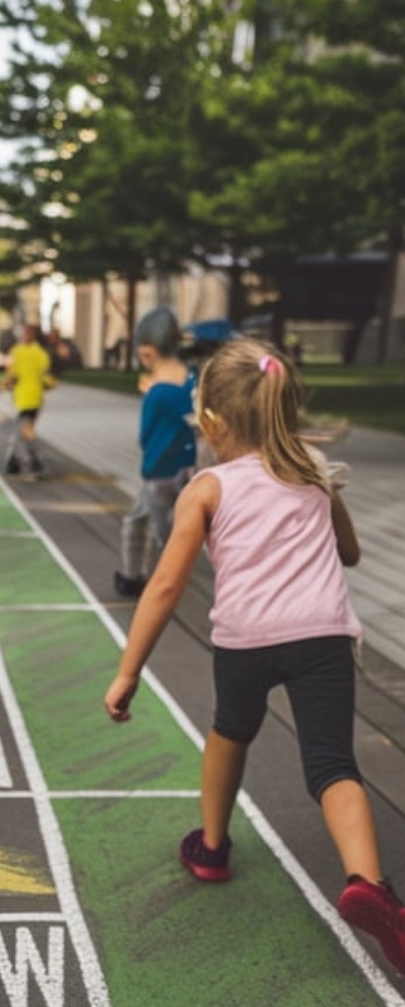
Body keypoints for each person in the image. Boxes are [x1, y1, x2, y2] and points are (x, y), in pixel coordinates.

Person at [102, 338, 405, 973]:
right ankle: (368, 883)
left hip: (245, 640)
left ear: (209, 423)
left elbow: (165, 585)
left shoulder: (206, 489)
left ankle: (211, 847)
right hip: (320, 635)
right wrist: (325, 495)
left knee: (230, 731)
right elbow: (349, 555)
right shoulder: (312, 472)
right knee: (331, 764)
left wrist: (130, 670)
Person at [115, 306, 197, 599]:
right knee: (141, 519)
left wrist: (149, 395)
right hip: (189, 466)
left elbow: (146, 434)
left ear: (148, 352)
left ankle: (155, 583)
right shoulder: (193, 381)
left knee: (163, 532)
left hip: (159, 470)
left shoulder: (157, 392)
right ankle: (132, 574)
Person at [0, 322, 54, 479]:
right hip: (22, 398)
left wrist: (49, 383)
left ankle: (34, 464)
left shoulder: (40, 354)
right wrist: (5, 384)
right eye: (25, 333)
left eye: (29, 333)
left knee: (23, 433)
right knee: (22, 433)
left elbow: (45, 375)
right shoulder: (15, 352)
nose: (26, 336)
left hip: (34, 398)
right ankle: (14, 464)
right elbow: (10, 374)